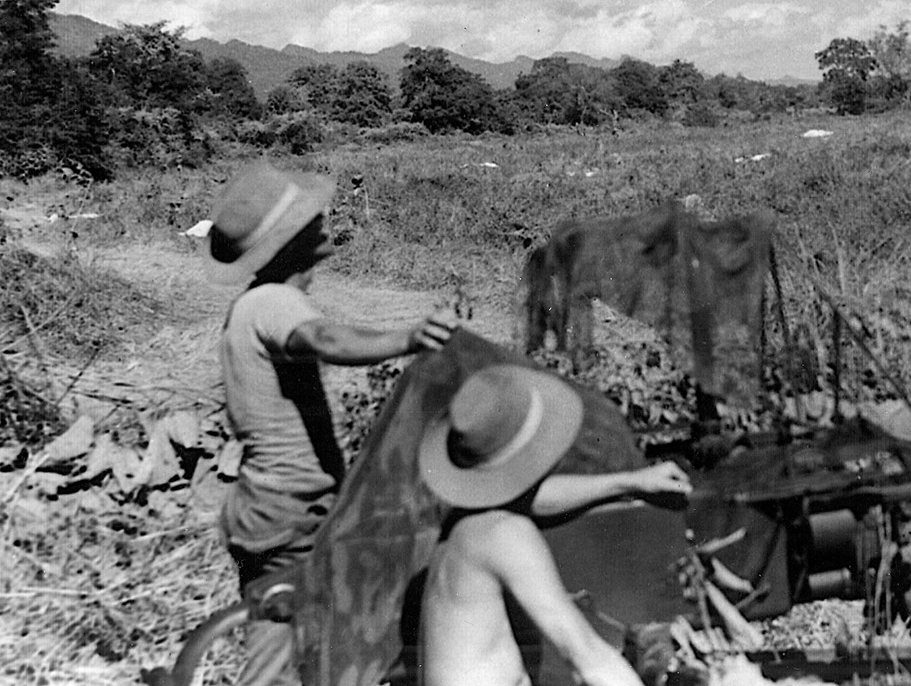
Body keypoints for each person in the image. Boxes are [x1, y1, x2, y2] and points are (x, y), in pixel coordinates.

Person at [206, 161, 459, 686]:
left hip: (279, 504)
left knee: (289, 641)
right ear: (288, 241)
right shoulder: (272, 302)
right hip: (290, 507)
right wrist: (409, 339)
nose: (323, 221)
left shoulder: (262, 302)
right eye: (309, 218)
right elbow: (327, 341)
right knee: (280, 648)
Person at [417, 363, 693, 686]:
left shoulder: (465, 527)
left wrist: (631, 482)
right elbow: (588, 660)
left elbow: (531, 498)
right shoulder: (505, 534)